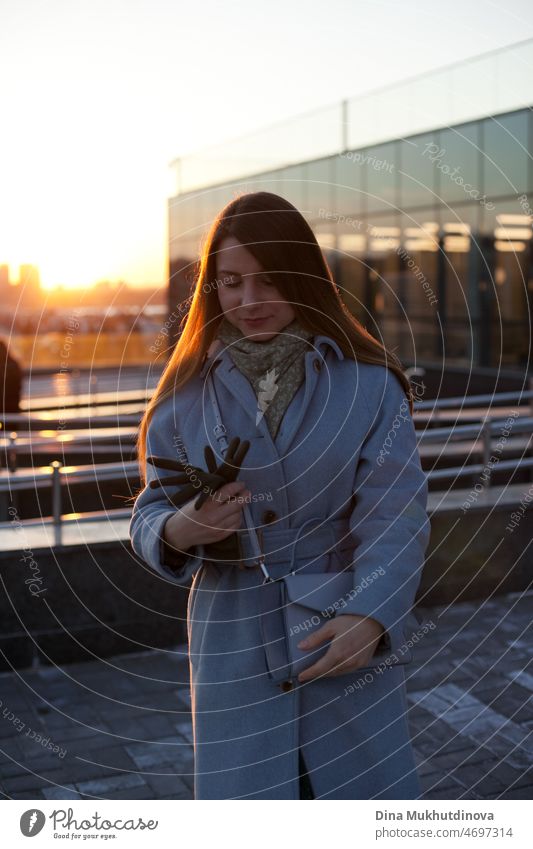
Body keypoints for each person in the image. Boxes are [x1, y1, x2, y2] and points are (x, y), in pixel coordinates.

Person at [130, 191, 431, 800]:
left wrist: (371, 615)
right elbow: (149, 511)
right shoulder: (183, 395)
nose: (249, 301)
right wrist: (181, 529)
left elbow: (395, 512)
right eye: (232, 282)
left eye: (269, 279)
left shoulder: (370, 385)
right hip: (231, 633)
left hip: (339, 623)